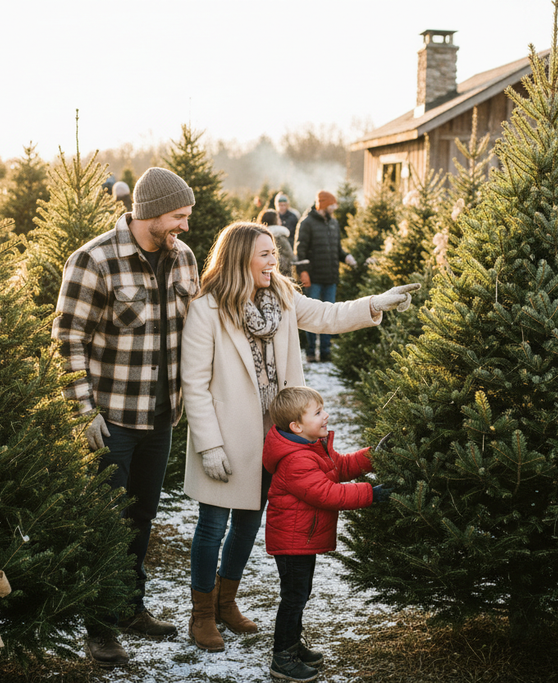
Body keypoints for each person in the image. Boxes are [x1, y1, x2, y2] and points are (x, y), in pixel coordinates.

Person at [180, 221, 419, 653]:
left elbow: (328, 316)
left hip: (276, 439)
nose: (275, 261)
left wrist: (375, 303)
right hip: (226, 437)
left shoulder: (283, 298)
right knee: (213, 526)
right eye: (265, 254)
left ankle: (226, 602)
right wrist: (209, 445)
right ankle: (201, 614)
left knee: (248, 525)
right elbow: (194, 384)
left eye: (275, 253)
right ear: (240, 258)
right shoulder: (207, 309)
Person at [52, 166, 199, 667]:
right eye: (178, 216)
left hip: (161, 417)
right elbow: (67, 339)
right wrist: (83, 410)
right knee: (106, 523)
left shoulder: (184, 260)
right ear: (150, 214)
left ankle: (130, 607)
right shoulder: (93, 260)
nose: (185, 225)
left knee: (141, 517)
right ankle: (99, 627)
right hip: (111, 419)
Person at [262, 386, 391, 681]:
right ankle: (282, 657)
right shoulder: (296, 459)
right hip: (292, 542)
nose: (326, 416)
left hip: (301, 541)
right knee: (294, 597)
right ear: (296, 426)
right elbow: (327, 493)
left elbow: (339, 467)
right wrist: (372, 494)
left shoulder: (309, 446)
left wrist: (373, 456)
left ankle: (292, 647)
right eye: (318, 412)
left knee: (300, 594)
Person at [293, 190, 358, 362]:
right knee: (312, 316)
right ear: (323, 204)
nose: (335, 208)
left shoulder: (333, 223)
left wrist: (346, 257)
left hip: (330, 278)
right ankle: (310, 352)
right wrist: (303, 273)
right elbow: (300, 250)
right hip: (313, 278)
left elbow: (336, 249)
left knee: (331, 315)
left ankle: (326, 352)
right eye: (332, 204)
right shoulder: (306, 223)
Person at [259, 209, 296, 279]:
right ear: (275, 220)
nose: (280, 220)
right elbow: (290, 255)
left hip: (265, 272)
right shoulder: (280, 236)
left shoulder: (260, 237)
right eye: (278, 218)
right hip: (282, 273)